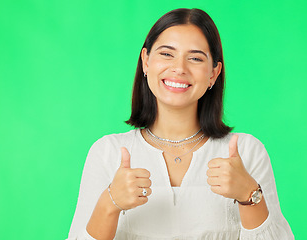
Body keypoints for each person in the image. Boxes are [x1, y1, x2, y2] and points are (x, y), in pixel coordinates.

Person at [67, 8, 294, 240]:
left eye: (195, 58)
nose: (179, 68)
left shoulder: (246, 152)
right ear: (146, 61)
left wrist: (249, 196)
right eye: (167, 54)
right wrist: (109, 204)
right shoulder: (107, 153)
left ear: (213, 74)